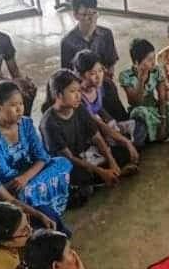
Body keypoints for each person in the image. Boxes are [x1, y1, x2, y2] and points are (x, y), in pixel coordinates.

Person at [0, 80, 74, 229]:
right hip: (11, 185)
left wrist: (27, 176)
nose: (19, 109)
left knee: (62, 163)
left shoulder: (26, 123)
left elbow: (42, 157)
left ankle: (49, 207)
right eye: (13, 105)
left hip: (30, 176)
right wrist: (24, 178)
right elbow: (4, 173)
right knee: (24, 192)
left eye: (21, 104)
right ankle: (41, 212)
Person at [39, 69, 133, 207]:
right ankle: (104, 178)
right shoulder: (49, 123)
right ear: (58, 95)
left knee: (122, 152)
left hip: (86, 155)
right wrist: (101, 171)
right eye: (72, 92)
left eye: (78, 91)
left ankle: (108, 175)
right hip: (69, 165)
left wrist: (111, 161)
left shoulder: (80, 108)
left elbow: (97, 137)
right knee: (80, 180)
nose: (78, 95)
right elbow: (69, 158)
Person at [59, 0, 128, 122]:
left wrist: (99, 80)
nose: (89, 19)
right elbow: (66, 75)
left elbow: (110, 65)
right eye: (84, 14)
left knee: (110, 89)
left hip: (101, 82)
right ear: (75, 15)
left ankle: (121, 122)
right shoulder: (68, 42)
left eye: (93, 13)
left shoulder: (106, 34)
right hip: (81, 89)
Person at [119, 38, 169, 142]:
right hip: (141, 112)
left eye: (153, 58)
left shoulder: (156, 71)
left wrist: (163, 121)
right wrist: (141, 81)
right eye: (149, 59)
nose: (153, 62)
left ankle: (158, 131)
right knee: (140, 112)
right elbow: (135, 103)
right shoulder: (125, 76)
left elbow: (162, 99)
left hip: (155, 109)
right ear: (136, 62)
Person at [72, 49, 146, 150]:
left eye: (100, 70)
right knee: (111, 147)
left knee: (139, 126)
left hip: (105, 127)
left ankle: (126, 146)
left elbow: (100, 109)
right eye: (93, 73)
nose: (98, 76)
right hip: (93, 134)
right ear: (81, 75)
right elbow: (98, 124)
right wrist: (124, 140)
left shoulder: (98, 87)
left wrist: (113, 123)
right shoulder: (79, 97)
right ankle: (125, 148)